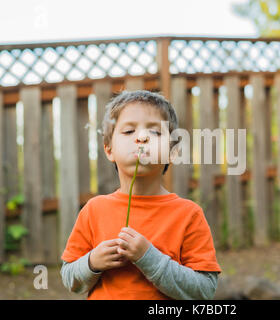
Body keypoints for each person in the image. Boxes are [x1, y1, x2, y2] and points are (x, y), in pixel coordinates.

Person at [60, 90, 221, 300]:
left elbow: (204, 291)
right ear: (109, 150)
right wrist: (92, 262)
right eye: (128, 131)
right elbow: (69, 278)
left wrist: (148, 257)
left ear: (172, 152)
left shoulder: (188, 214)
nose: (142, 137)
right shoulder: (94, 210)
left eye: (155, 132)